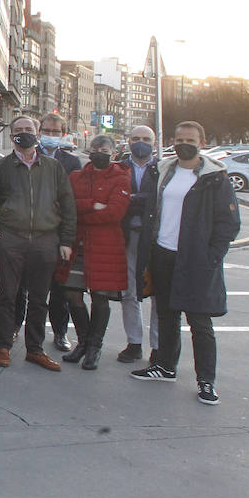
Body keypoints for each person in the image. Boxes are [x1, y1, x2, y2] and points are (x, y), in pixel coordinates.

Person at [131, 121, 240, 405]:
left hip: (196, 259)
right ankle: (165, 366)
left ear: (201, 143)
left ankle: (206, 381)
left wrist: (212, 258)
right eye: (179, 139)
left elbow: (228, 224)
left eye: (190, 140)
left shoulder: (215, 179)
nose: (183, 144)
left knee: (199, 322)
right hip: (163, 253)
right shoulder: (163, 171)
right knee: (167, 315)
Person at [0, 115, 77, 372]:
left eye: (29, 129)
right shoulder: (0, 167)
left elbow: (68, 205)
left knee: (39, 298)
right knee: (7, 295)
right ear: (12, 136)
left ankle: (35, 349)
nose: (25, 133)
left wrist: (66, 240)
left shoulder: (53, 167)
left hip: (45, 240)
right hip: (11, 239)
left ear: (37, 133)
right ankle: (3, 346)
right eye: (19, 130)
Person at [60, 135, 131, 370]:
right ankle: (83, 342)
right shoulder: (76, 176)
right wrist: (92, 204)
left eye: (104, 150)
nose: (98, 153)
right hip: (78, 242)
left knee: (100, 297)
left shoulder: (121, 177)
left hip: (105, 245)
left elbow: (114, 213)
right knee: (72, 293)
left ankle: (94, 347)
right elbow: (67, 206)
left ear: (113, 154)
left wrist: (83, 212)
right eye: (94, 149)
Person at [30, 112, 82, 352]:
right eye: (47, 131)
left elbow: (72, 201)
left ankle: (60, 332)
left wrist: (67, 238)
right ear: (39, 132)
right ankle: (18, 328)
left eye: (55, 132)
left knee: (59, 288)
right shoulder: (30, 154)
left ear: (63, 134)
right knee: (26, 286)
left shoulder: (71, 163)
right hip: (30, 228)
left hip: (57, 230)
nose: (50, 135)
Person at [118, 125, 160, 364]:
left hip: (155, 238)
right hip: (126, 236)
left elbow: (157, 201)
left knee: (157, 293)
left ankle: (158, 347)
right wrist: (138, 200)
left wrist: (133, 199)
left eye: (146, 138)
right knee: (128, 292)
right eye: (136, 138)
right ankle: (133, 343)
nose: (140, 142)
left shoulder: (163, 169)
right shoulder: (119, 167)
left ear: (154, 143)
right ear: (128, 141)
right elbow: (116, 198)